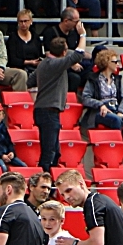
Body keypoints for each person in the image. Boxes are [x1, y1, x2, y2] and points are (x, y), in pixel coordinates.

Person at [32, 31, 87, 170]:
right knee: (49, 153)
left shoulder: (44, 64)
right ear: (63, 52)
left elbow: (30, 81)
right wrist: (82, 35)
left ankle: (49, 182)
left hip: (44, 110)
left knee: (54, 152)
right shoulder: (54, 64)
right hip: (48, 112)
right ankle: (43, 182)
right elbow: (78, 55)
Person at [81, 49, 123, 131]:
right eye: (115, 62)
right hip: (100, 111)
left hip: (116, 109)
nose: (118, 64)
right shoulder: (93, 79)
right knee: (116, 119)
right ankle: (118, 143)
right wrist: (100, 105)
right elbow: (85, 98)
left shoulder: (117, 80)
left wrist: (121, 111)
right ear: (106, 63)